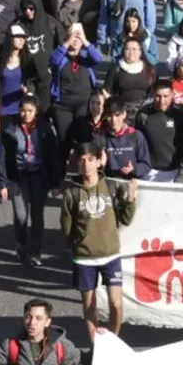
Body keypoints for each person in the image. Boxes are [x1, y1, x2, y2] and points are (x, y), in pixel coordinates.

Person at [60, 142, 137, 341]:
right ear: (77, 163)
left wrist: (130, 199)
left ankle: (113, 341)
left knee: (116, 304)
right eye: (82, 160)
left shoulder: (111, 186)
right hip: (84, 259)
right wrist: (76, 248)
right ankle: (95, 347)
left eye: (91, 159)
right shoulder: (71, 193)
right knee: (89, 306)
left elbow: (126, 219)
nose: (86, 164)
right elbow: (66, 227)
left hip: (111, 255)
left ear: (99, 161)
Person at [0, 94, 60, 266]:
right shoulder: (11, 129)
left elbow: (54, 157)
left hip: (39, 176)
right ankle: (21, 243)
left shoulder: (44, 129)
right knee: (21, 215)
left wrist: (55, 183)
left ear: (36, 111)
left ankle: (35, 252)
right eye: (23, 110)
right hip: (18, 177)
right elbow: (3, 157)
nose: (26, 114)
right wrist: (2, 183)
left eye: (30, 111)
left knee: (37, 215)